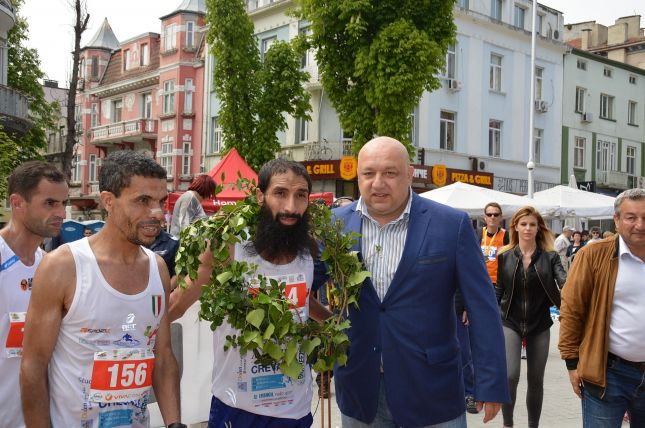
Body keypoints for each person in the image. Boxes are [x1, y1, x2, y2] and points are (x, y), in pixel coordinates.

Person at [318, 136, 509, 427]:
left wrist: (490, 381)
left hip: (433, 391)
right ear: (357, 176)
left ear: (409, 174)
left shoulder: (451, 225)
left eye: (390, 173)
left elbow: (482, 308)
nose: (378, 183)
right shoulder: (334, 225)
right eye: (368, 173)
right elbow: (303, 281)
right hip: (360, 390)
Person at [20, 151, 183, 427]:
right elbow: (33, 366)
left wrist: (175, 423)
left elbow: (163, 357)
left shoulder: (158, 268)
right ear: (108, 201)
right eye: (143, 201)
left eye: (161, 201)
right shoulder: (63, 266)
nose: (156, 213)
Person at [169, 159, 330, 427]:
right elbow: (178, 303)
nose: (291, 207)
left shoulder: (308, 249)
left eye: (301, 195)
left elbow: (300, 299)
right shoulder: (230, 246)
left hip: (295, 408)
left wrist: (330, 321)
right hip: (238, 405)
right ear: (260, 196)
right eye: (280, 193)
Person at [559, 188, 645, 427]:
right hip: (609, 372)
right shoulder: (593, 255)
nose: (640, 225)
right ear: (616, 220)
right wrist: (572, 363)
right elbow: (572, 309)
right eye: (631, 217)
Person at [0, 161, 68, 428]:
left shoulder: (51, 265)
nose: (60, 213)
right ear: (17, 203)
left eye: (63, 203)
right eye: (50, 203)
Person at [495, 206, 567, 428]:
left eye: (532, 224)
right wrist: (488, 317)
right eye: (523, 224)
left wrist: (569, 298)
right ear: (515, 227)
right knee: (510, 376)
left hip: (540, 323)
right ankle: (508, 424)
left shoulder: (550, 257)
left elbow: (564, 282)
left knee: (536, 379)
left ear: (538, 228)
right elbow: (499, 289)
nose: (528, 228)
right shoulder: (505, 256)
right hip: (510, 321)